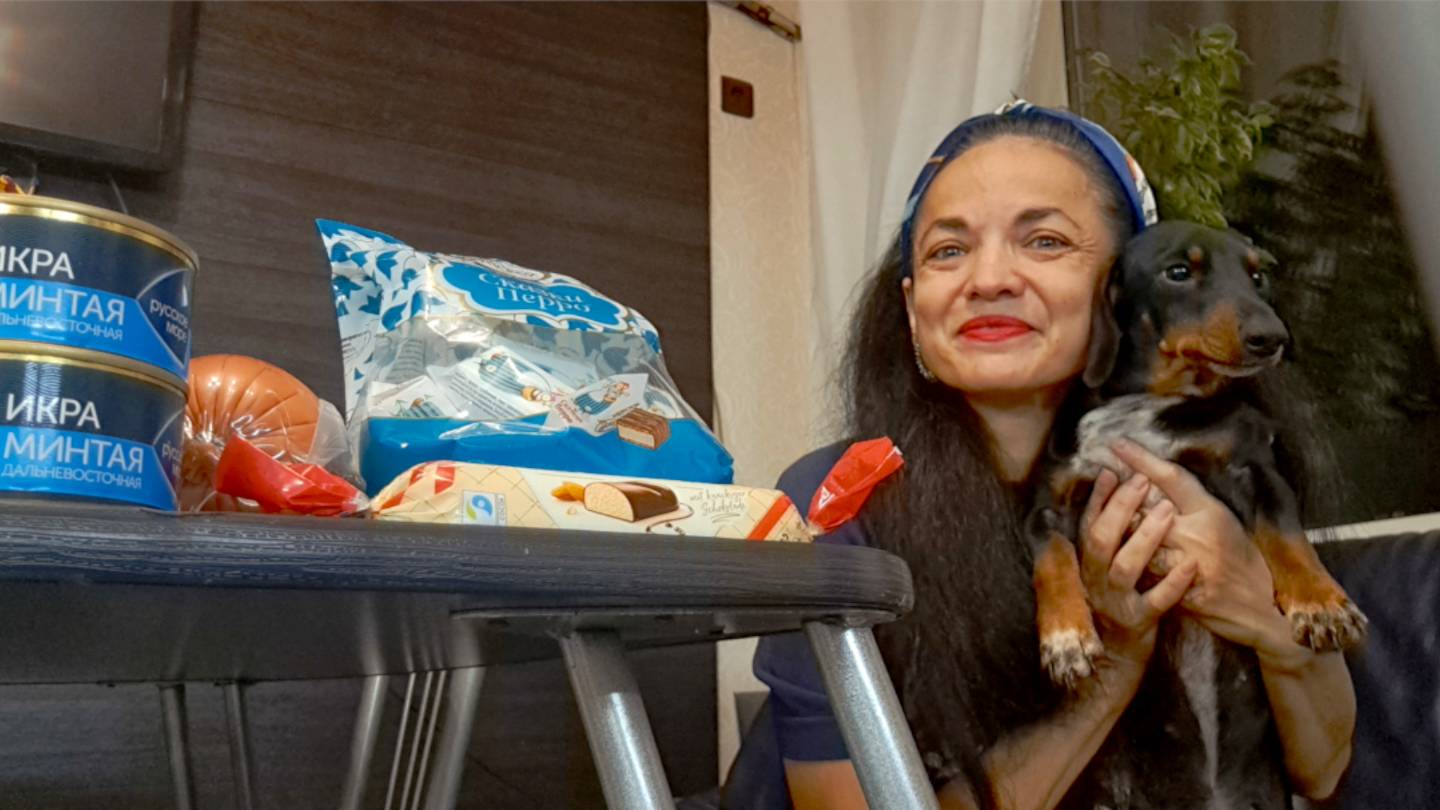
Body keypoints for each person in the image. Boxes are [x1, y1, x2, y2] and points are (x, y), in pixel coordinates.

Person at [747, 102, 1356, 810]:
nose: (989, 278)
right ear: (914, 309)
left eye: (1044, 241)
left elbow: (1322, 770)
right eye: (948, 251)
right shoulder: (837, 499)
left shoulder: (1221, 468)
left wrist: (1261, 610)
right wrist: (1112, 666)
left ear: (1124, 288)